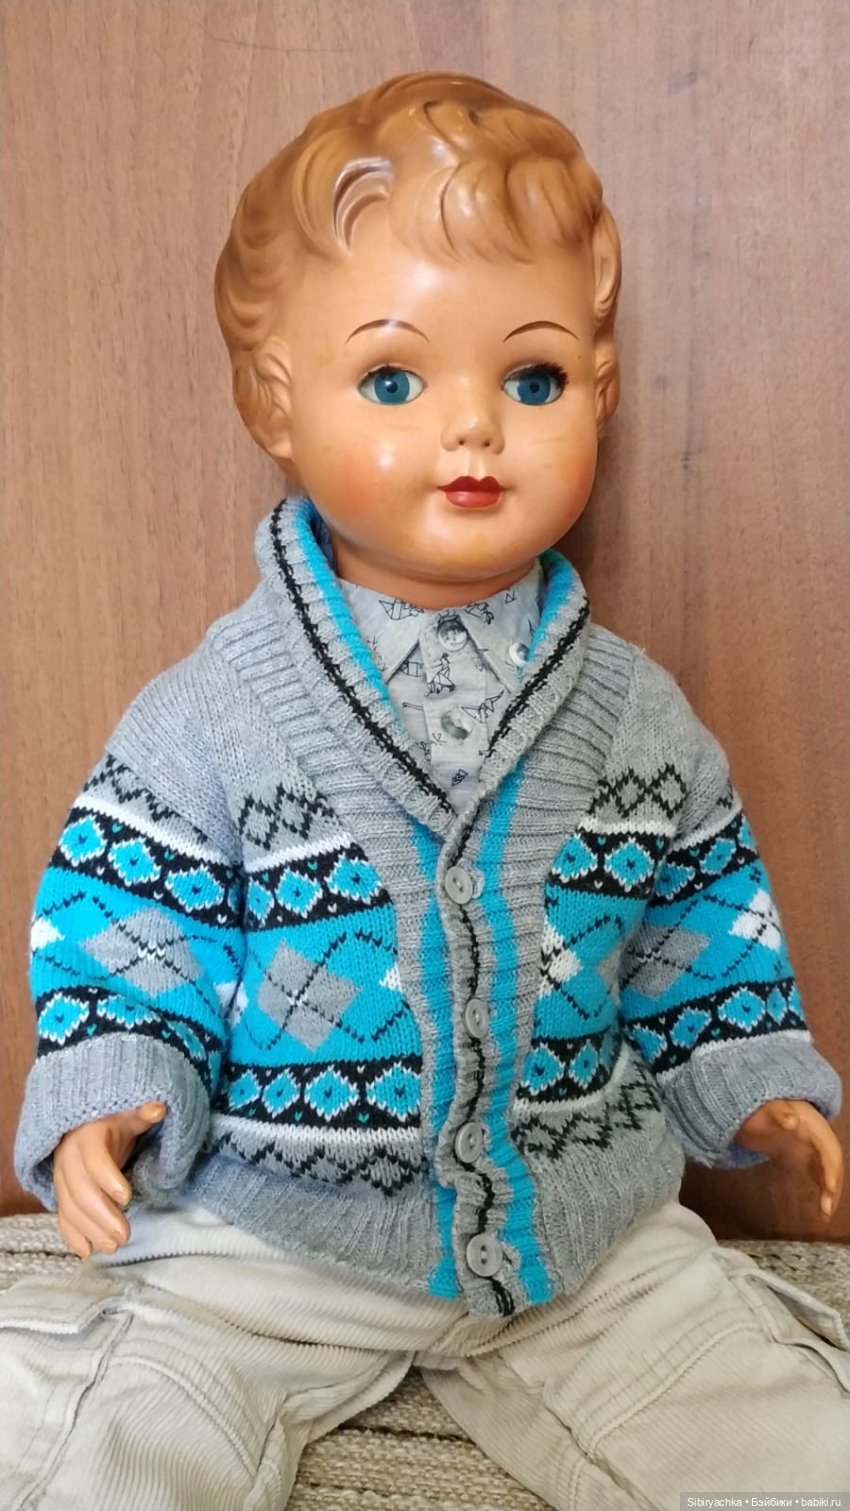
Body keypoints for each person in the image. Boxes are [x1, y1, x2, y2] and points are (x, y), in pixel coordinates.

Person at [3, 72, 848, 1511]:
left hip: (579, 1239)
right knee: (106, 1441)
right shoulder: (210, 716)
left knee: (782, 1438)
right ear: (277, 403)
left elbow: (699, 924)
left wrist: (751, 1077)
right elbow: (126, 926)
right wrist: (112, 1089)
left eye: (533, 380)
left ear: (599, 388)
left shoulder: (635, 713)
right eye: (394, 381)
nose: (475, 429)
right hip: (266, 1239)